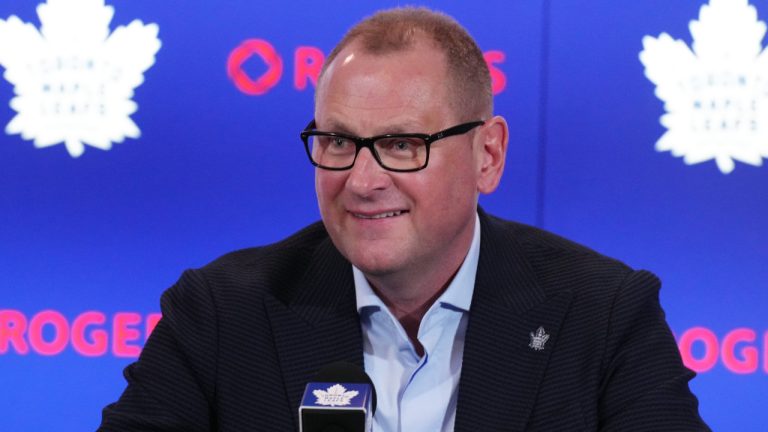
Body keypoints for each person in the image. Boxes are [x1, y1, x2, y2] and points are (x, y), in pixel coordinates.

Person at [99, 7, 709, 431]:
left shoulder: (603, 314)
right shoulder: (221, 313)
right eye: (338, 142)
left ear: (487, 155)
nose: (361, 182)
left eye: (401, 145)